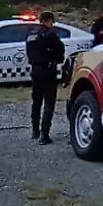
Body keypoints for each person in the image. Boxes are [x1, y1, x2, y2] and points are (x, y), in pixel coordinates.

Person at [25, 11, 67, 145]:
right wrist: (55, 58)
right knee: (49, 102)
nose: (52, 24)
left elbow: (29, 53)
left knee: (36, 102)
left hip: (35, 70)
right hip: (47, 71)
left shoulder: (31, 35)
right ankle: (44, 135)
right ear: (48, 21)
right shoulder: (50, 34)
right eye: (51, 22)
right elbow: (60, 51)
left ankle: (35, 131)